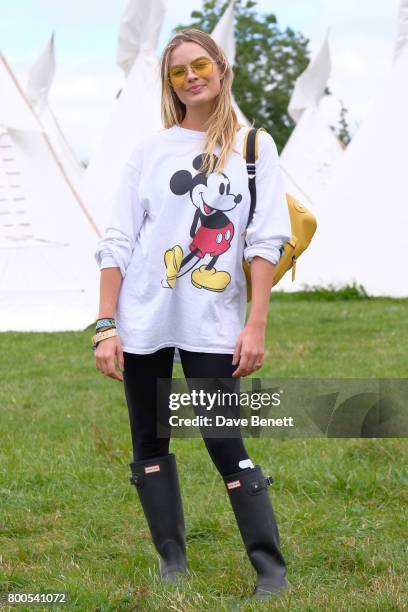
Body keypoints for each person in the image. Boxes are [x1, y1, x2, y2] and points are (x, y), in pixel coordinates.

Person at [93, 28, 291, 600]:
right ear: (169, 84)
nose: (191, 77)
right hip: (144, 320)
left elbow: (265, 240)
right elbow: (118, 240)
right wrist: (107, 325)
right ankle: (172, 562)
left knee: (224, 439)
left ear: (221, 67)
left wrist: (255, 324)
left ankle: (269, 570)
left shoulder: (255, 147)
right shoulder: (148, 153)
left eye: (199, 65)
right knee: (148, 441)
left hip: (213, 321)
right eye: (178, 72)